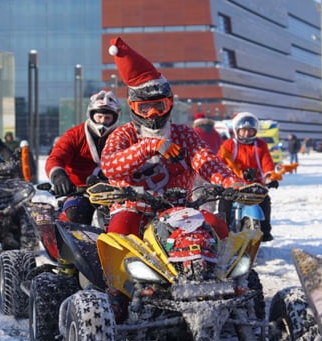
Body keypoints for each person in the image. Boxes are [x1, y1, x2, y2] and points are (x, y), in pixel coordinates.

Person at [101, 37, 261, 238]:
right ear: (133, 108)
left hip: (179, 208)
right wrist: (150, 146)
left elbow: (206, 161)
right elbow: (110, 166)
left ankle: (228, 269)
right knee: (119, 232)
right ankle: (113, 271)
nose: (152, 114)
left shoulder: (183, 134)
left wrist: (233, 183)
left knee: (217, 227)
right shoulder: (124, 134)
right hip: (133, 207)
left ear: (169, 104)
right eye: (144, 108)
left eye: (159, 106)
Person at [46, 89, 120, 224]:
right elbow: (56, 158)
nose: (102, 122)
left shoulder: (122, 136)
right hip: (79, 192)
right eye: (99, 117)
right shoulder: (74, 135)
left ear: (115, 118)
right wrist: (58, 175)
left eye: (107, 118)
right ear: (91, 115)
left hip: (115, 193)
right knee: (75, 214)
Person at [217, 112, 278, 242]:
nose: (247, 134)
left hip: (254, 185)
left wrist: (271, 177)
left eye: (250, 131)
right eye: (243, 130)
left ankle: (265, 230)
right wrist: (222, 179)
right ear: (236, 130)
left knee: (265, 201)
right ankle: (223, 232)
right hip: (232, 184)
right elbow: (219, 164)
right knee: (225, 202)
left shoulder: (261, 145)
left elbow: (267, 163)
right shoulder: (228, 145)